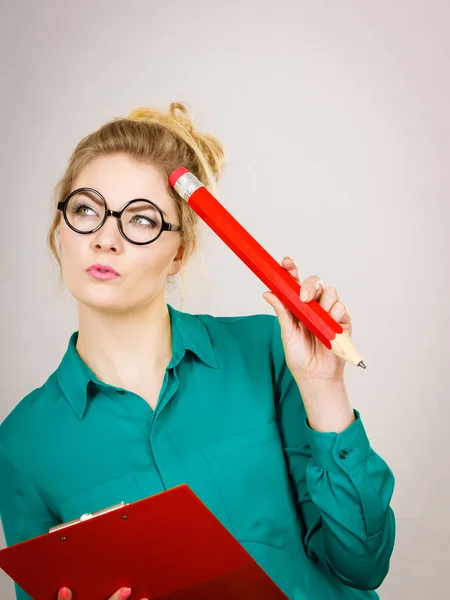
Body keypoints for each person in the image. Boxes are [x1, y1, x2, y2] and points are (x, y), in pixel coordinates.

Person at [0, 102, 395, 600]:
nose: (105, 239)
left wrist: (324, 389)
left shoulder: (268, 353)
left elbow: (363, 565)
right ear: (61, 233)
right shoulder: (21, 443)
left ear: (179, 252)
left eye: (141, 221)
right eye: (85, 209)